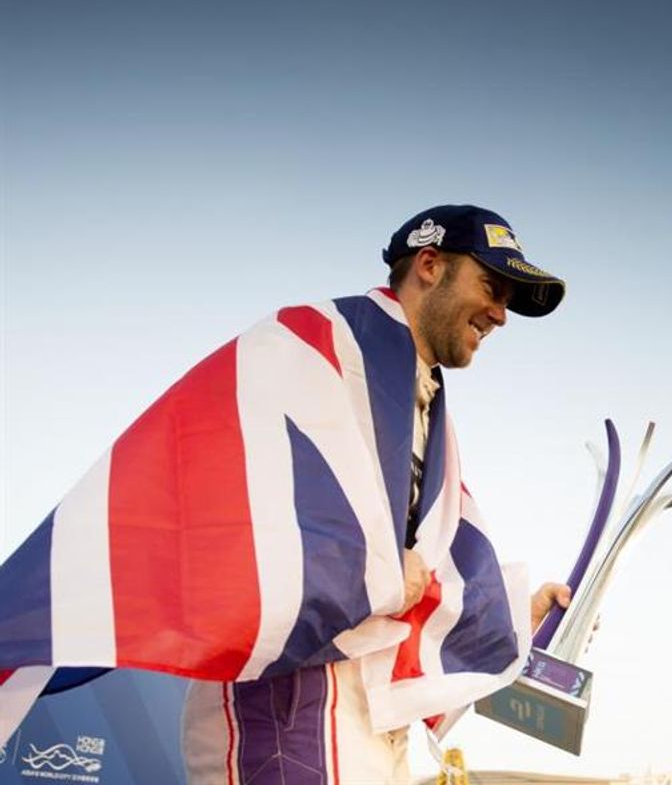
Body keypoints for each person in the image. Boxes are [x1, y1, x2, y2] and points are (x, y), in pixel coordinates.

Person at [181, 204, 572, 784]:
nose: (501, 314)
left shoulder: (425, 406)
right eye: (492, 287)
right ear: (430, 265)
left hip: (372, 710)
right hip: (293, 699)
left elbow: (429, 564)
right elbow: (236, 509)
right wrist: (380, 567)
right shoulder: (317, 345)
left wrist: (513, 616)